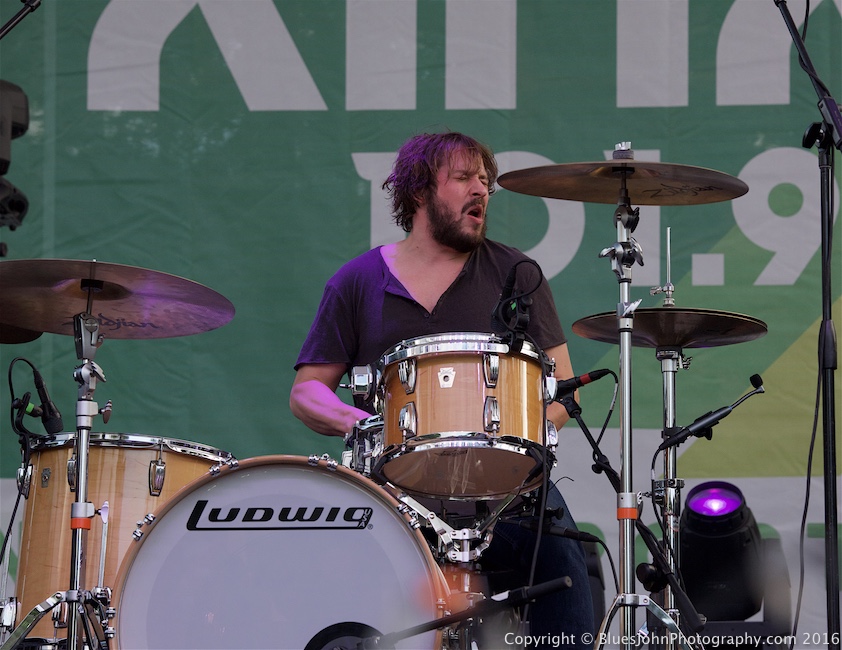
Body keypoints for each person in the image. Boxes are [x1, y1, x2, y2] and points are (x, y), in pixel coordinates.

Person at [290, 131, 595, 648]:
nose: (482, 190)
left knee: (565, 577)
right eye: (464, 178)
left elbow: (566, 392)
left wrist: (526, 436)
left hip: (508, 489)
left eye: (486, 181)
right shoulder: (358, 280)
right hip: (395, 487)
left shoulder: (516, 273)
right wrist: (362, 424)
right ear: (418, 192)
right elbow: (307, 392)